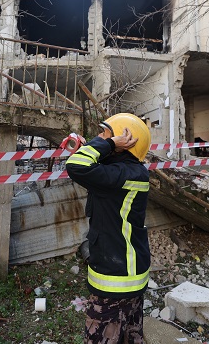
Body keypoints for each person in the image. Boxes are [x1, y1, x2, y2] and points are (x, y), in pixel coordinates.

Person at [65, 113, 152, 344]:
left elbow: (76, 166)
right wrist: (103, 147)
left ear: (125, 142)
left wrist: (108, 145)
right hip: (130, 271)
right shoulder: (130, 172)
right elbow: (91, 168)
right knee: (129, 337)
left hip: (116, 278)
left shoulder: (121, 175)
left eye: (105, 134)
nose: (99, 137)